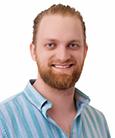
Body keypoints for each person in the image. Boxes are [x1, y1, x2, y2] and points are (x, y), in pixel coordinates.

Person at [0, 4, 110, 138]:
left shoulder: (98, 122)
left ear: (84, 51)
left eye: (73, 45)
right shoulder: (3, 121)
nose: (63, 56)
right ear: (33, 51)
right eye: (51, 45)